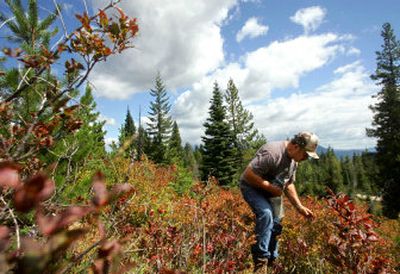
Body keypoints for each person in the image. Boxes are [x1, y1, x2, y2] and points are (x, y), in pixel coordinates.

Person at [240, 131, 319, 273]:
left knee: (277, 221)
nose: (306, 158)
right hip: (251, 187)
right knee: (266, 214)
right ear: (295, 146)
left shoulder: (294, 161)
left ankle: (271, 260)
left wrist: (299, 206)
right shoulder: (272, 153)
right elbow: (248, 175)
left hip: (271, 190)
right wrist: (271, 188)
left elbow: (288, 184)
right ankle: (260, 262)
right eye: (306, 155)